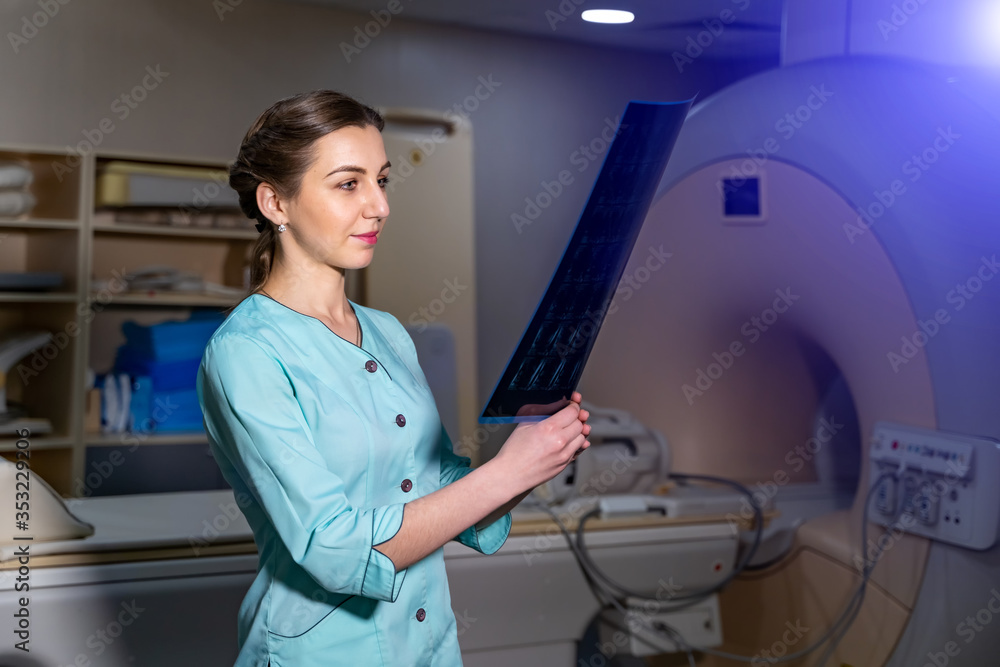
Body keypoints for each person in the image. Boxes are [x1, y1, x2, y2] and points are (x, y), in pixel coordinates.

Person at [196, 90, 591, 667]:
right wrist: (508, 472)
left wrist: (529, 458)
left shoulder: (387, 333)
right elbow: (334, 548)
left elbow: (438, 489)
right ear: (275, 202)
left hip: (427, 646)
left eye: (382, 181)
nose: (379, 206)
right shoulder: (246, 353)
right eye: (348, 183)